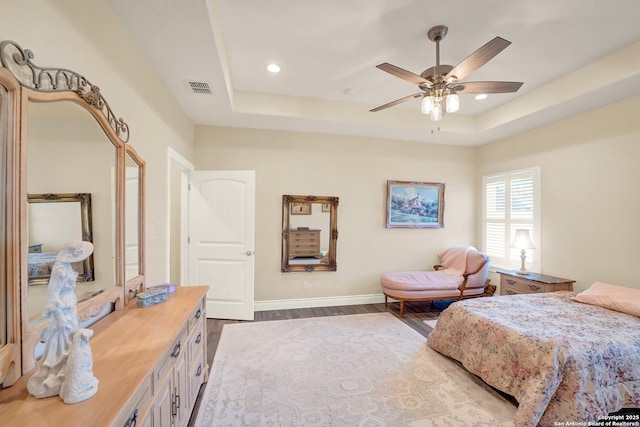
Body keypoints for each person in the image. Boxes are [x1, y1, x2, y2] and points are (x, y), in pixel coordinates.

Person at [27, 239, 94, 399]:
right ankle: (55, 376)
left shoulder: (66, 266)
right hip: (62, 311)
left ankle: (67, 373)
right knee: (61, 343)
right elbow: (52, 295)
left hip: (69, 308)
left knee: (69, 341)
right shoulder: (59, 269)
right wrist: (58, 316)